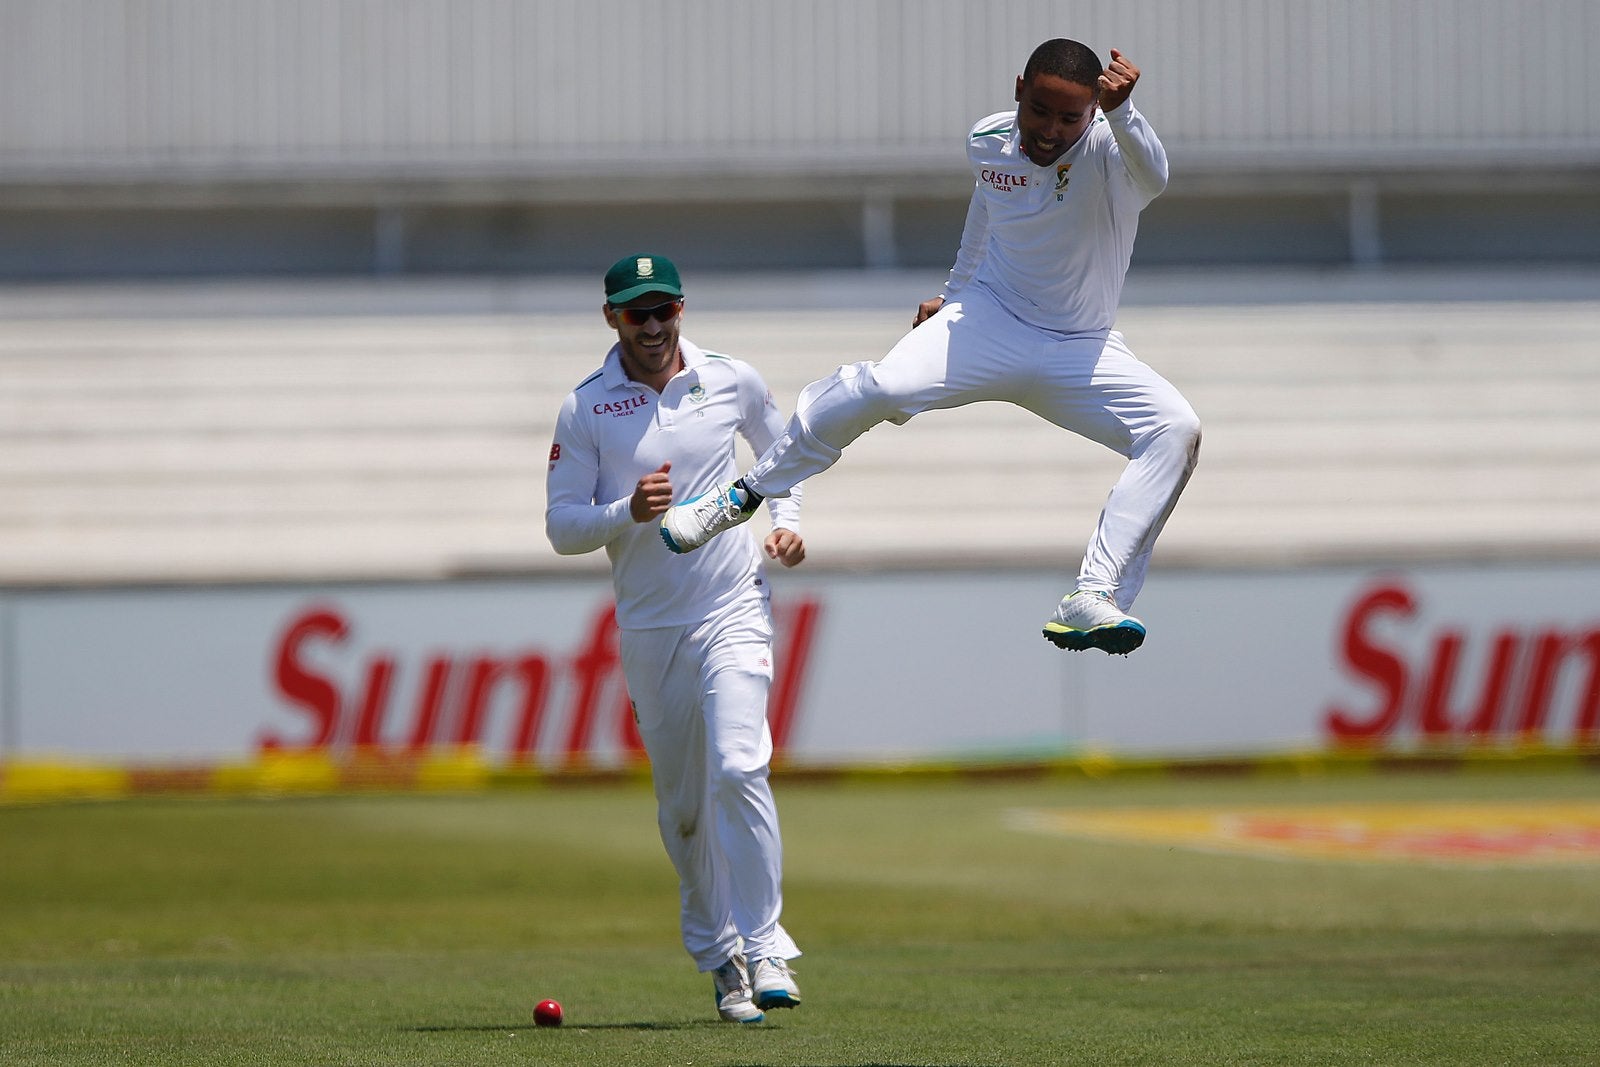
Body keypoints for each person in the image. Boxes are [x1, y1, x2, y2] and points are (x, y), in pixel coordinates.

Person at [659, 39, 1200, 656]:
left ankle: (1092, 595)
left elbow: (1157, 175)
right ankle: (744, 495)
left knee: (1176, 429)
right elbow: (988, 216)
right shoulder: (986, 140)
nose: (1051, 130)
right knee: (883, 386)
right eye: (1040, 109)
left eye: (1069, 117)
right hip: (988, 320)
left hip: (1079, 347)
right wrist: (953, 294)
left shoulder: (1111, 150)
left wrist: (1124, 111)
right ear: (1018, 88)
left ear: (1092, 113)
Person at [545, 253, 806, 1023]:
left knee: (739, 764)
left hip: (733, 604)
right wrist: (626, 510)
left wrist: (787, 524)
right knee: (684, 809)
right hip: (651, 627)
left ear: (683, 309)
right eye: (636, 313)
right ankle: (720, 956)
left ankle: (765, 947)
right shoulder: (586, 406)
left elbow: (785, 455)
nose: (653, 326)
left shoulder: (732, 378)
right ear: (612, 319)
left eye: (664, 310)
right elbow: (562, 527)